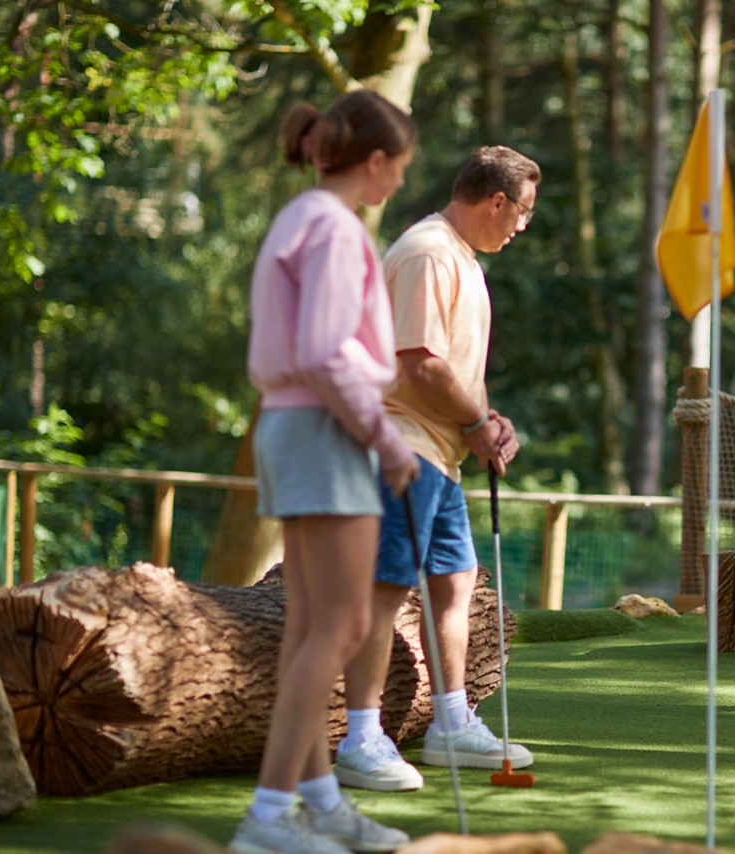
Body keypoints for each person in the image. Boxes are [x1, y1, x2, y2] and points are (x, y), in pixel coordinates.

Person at [234, 90, 419, 854]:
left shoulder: (298, 218)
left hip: (288, 425)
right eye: (400, 168)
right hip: (324, 429)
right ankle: (271, 818)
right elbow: (325, 350)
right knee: (339, 625)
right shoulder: (337, 230)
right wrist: (385, 437)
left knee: (309, 628)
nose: (401, 184)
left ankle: (314, 801)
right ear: (373, 162)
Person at [331, 145, 539, 791]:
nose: (523, 226)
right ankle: (362, 737)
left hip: (438, 448)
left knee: (455, 578)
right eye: (522, 211)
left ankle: (451, 722)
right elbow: (416, 363)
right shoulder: (427, 251)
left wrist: (483, 416)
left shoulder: (462, 259)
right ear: (496, 200)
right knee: (386, 585)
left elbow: (446, 370)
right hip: (400, 444)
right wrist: (476, 424)